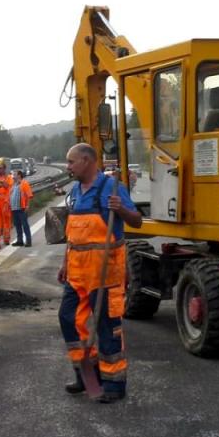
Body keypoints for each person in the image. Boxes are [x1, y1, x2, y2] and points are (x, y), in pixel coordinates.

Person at [57, 143, 142, 403]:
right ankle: (87, 374)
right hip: (77, 272)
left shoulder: (111, 189)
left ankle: (114, 385)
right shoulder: (75, 191)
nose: (68, 167)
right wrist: (65, 263)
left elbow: (136, 221)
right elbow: (73, 236)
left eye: (71, 162)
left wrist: (121, 210)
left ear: (86, 160)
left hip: (105, 273)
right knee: (68, 318)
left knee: (107, 328)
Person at [10, 170, 33, 247]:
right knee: (17, 225)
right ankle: (20, 240)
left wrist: (27, 205)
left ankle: (28, 241)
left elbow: (29, 195)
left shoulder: (24, 183)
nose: (13, 176)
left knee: (25, 225)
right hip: (14, 208)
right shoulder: (14, 185)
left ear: (19, 175)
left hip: (22, 208)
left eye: (15, 174)